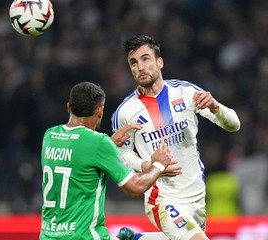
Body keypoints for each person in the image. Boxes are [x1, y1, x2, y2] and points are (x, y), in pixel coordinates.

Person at [112, 35, 241, 240]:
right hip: (162, 199)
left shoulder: (186, 92)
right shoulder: (126, 111)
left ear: (160, 62)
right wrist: (147, 166)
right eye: (133, 63)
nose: (140, 67)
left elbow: (234, 125)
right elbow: (120, 155)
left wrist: (215, 107)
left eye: (145, 59)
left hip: (196, 195)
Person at [39, 81, 178, 240]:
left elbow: (76, 158)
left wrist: (109, 146)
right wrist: (159, 164)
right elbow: (135, 187)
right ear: (100, 111)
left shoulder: (50, 136)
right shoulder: (98, 143)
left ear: (69, 107)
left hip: (48, 236)